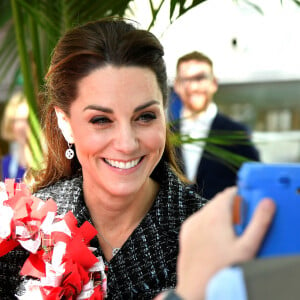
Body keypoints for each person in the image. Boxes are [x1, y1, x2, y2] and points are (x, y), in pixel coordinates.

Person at [0, 19, 208, 299]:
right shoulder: (19, 232)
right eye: (101, 120)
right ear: (66, 123)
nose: (126, 143)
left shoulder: (210, 236)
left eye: (145, 116)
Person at [169, 51, 260, 200]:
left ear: (214, 83)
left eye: (200, 78)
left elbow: (255, 184)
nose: (193, 87)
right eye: (186, 80)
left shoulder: (236, 134)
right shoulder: (166, 134)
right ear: (177, 85)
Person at [0, 91, 31, 182]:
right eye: (18, 120)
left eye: (28, 120)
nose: (23, 126)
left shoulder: (49, 162)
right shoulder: (6, 164)